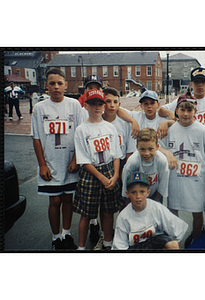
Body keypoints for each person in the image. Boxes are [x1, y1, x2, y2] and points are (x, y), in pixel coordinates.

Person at [159, 93, 205, 247]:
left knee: (197, 211)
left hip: (197, 179)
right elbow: (156, 145)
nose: (186, 114)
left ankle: (196, 239)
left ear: (195, 111)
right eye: (182, 109)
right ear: (176, 111)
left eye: (190, 110)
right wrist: (167, 152)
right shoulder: (170, 129)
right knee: (173, 210)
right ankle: (176, 239)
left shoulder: (202, 130)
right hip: (176, 179)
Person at [31, 68, 82, 250]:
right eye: (52, 83)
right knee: (55, 201)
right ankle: (56, 238)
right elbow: (36, 137)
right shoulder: (39, 108)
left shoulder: (74, 105)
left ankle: (66, 233)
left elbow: (80, 134)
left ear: (66, 85)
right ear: (46, 85)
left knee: (68, 199)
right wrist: (42, 164)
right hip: (50, 164)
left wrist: (76, 158)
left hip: (69, 163)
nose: (56, 87)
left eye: (60, 83)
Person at [73, 88, 123, 250]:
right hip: (91, 173)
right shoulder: (82, 129)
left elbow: (116, 154)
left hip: (109, 170)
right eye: (93, 104)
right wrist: (100, 177)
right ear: (86, 106)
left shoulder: (110, 128)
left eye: (100, 104)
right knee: (87, 214)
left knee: (108, 212)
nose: (97, 108)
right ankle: (81, 247)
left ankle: (107, 243)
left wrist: (115, 176)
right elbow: (83, 160)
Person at [91, 87, 136, 250]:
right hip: (104, 166)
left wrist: (123, 173)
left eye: (115, 102)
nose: (111, 105)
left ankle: (126, 235)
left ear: (119, 103)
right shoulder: (95, 120)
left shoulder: (125, 122)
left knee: (125, 204)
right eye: (107, 101)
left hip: (123, 165)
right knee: (106, 206)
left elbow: (130, 151)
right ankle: (106, 237)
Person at [158, 67, 205, 150]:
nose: (200, 85)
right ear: (191, 84)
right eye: (196, 82)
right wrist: (170, 113)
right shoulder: (185, 99)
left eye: (203, 82)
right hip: (191, 146)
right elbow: (161, 110)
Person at [112, 172, 188, 250]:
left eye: (142, 192)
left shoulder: (157, 208)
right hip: (135, 248)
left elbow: (178, 230)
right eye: (133, 192)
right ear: (127, 194)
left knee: (172, 244)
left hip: (154, 243)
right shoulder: (123, 217)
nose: (138, 196)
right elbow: (120, 246)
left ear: (148, 192)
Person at [121, 127, 169, 204]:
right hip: (136, 196)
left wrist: (156, 201)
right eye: (142, 149)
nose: (146, 153)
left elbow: (163, 184)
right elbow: (125, 185)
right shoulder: (133, 161)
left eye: (150, 149)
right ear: (137, 147)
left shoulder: (162, 160)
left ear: (157, 147)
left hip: (155, 194)